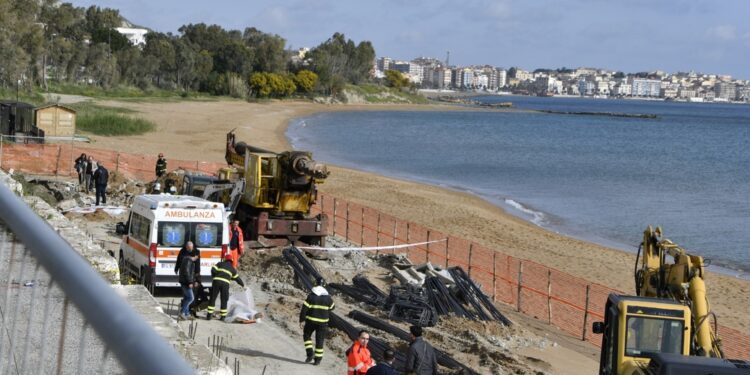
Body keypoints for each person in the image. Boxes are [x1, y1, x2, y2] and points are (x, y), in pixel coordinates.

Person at [299, 277, 335, 365]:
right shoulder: (328, 298)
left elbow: (304, 309)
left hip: (310, 321)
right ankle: (317, 360)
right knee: (320, 341)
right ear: (324, 286)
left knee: (307, 336)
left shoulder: (311, 296)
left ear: (315, 284)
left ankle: (310, 353)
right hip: (323, 323)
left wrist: (302, 320)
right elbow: (332, 307)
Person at [207, 252, 245, 321]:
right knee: (224, 299)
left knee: (213, 297)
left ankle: (209, 315)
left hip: (216, 282)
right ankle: (223, 317)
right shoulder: (233, 269)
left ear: (225, 259)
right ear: (232, 261)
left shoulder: (220, 264)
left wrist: (214, 276)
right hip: (225, 284)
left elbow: (213, 270)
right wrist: (242, 284)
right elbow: (237, 279)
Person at [176, 241, 200, 320]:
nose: (197, 257)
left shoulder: (189, 260)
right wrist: (190, 282)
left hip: (185, 281)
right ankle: (182, 312)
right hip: (185, 282)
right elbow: (186, 273)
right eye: (196, 256)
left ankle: (187, 313)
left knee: (186, 297)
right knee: (191, 298)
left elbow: (192, 272)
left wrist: (196, 280)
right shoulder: (188, 261)